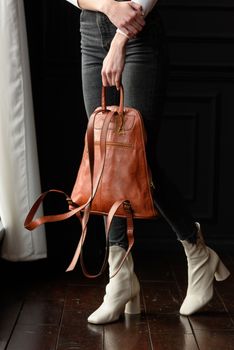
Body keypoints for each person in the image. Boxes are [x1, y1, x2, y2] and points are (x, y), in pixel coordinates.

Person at [65, 0, 230, 324]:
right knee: (106, 163)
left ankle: (198, 253)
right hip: (91, 28)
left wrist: (119, 39)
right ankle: (121, 277)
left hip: (137, 34)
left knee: (137, 163)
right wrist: (108, 7)